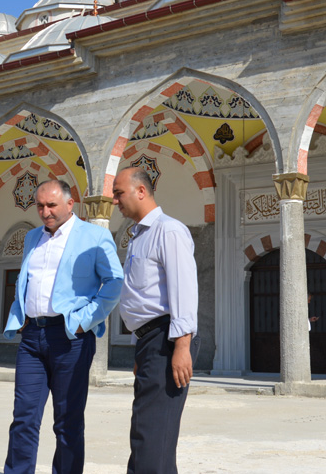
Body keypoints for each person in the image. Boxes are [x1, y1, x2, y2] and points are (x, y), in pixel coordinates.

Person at [2, 179, 124, 474]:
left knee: (67, 419)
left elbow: (114, 282)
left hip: (70, 338)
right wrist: (22, 314)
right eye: (40, 206)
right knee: (24, 417)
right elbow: (27, 280)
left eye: (51, 205)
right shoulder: (32, 237)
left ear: (71, 204)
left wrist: (85, 321)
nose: (45, 212)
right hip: (32, 337)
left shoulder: (94, 236)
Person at [112, 167, 199, 474]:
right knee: (147, 430)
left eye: (119, 193)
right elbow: (144, 299)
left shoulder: (168, 230)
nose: (114, 200)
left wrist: (182, 346)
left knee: (153, 433)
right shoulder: (138, 236)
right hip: (151, 342)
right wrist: (140, 347)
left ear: (141, 191)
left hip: (167, 340)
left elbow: (183, 290)